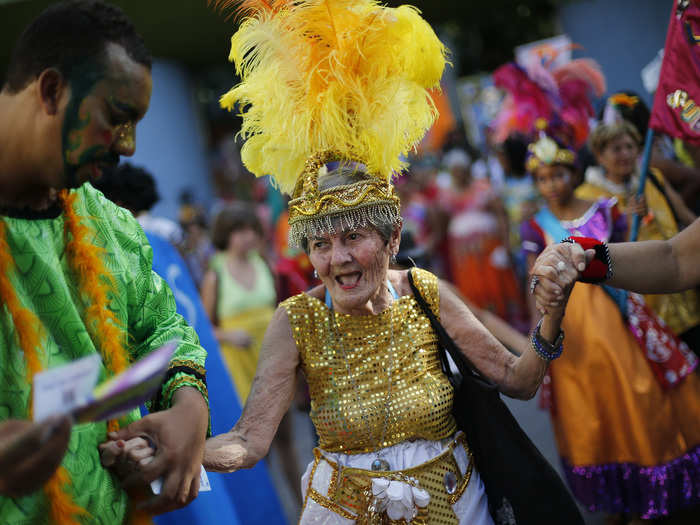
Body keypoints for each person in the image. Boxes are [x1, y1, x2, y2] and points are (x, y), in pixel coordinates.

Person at [201, 2, 569, 523]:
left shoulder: (424, 292)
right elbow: (248, 442)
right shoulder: (296, 320)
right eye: (321, 245)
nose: (338, 259)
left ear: (392, 237)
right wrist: (182, 450)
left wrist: (550, 316)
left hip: (459, 509)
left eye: (353, 237)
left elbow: (519, 378)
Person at [0, 2, 209, 522]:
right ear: (51, 92)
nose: (130, 146)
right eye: (116, 118)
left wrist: (188, 408)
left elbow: (162, 324)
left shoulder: (108, 222)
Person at [520, 134, 700, 522]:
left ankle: (649, 489)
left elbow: (652, 256)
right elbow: (533, 279)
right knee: (592, 412)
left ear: (574, 172)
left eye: (558, 175)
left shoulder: (605, 208)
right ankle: (618, 497)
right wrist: (544, 299)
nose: (552, 185)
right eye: (543, 178)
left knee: (638, 400)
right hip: (573, 333)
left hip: (620, 322)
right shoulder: (535, 227)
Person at [578, 121, 700, 351]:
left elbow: (684, 214)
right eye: (616, 149)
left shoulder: (651, 177)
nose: (625, 154)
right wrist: (628, 220)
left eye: (630, 147)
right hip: (644, 308)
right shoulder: (589, 197)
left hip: (687, 295)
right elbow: (600, 256)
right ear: (600, 156)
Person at [441, 147, 528, 329]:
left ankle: (510, 330)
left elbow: (501, 215)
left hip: (489, 249)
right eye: (454, 171)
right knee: (473, 292)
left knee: (498, 289)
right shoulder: (446, 195)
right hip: (464, 256)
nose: (458, 174)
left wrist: (505, 245)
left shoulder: (482, 187)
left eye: (461, 170)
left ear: (467, 170)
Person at [200, 204, 276, 404]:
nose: (249, 236)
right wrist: (228, 335)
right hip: (239, 364)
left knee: (282, 417)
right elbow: (203, 329)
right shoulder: (215, 274)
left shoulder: (263, 262)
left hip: (273, 357)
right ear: (226, 234)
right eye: (241, 231)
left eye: (252, 229)